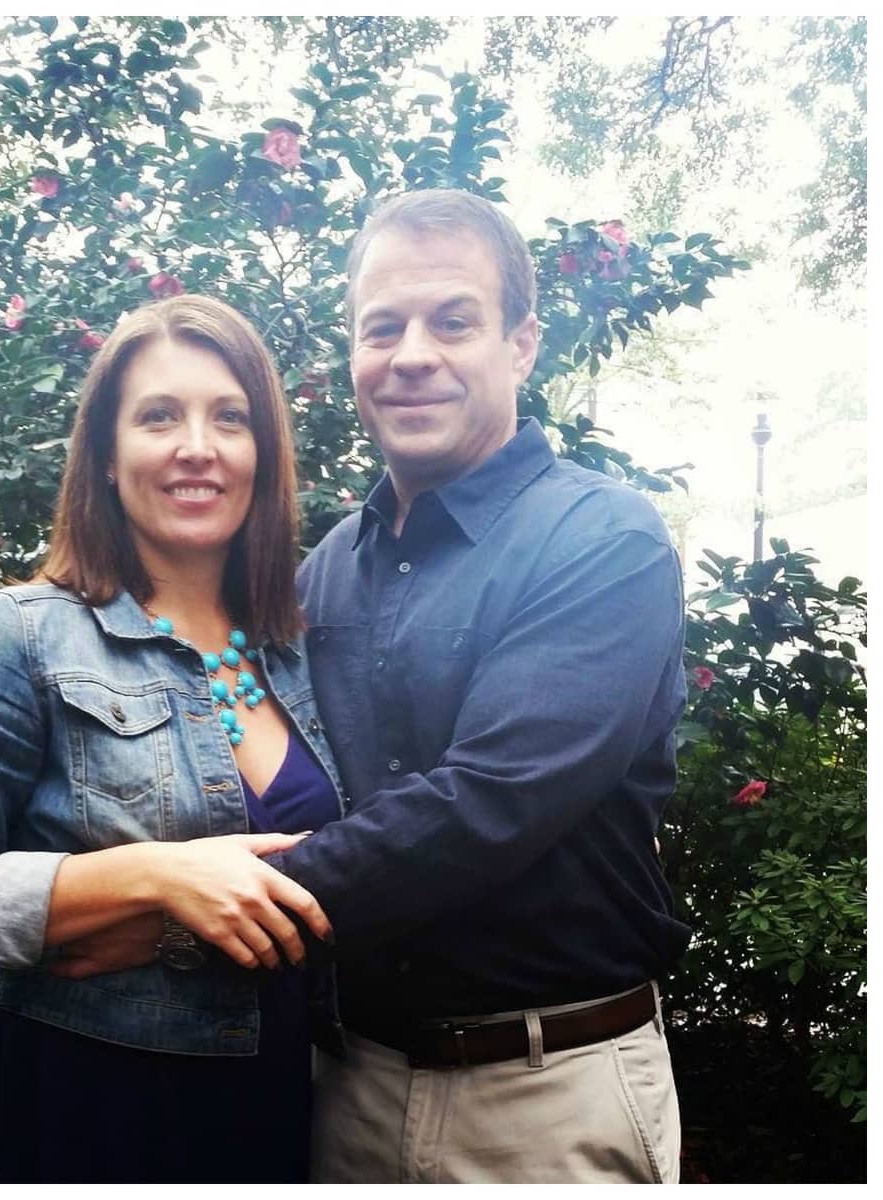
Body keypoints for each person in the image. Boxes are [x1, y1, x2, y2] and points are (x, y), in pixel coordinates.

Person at [263, 189, 689, 1182]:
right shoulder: (325, 569)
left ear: (522, 343)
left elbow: (488, 804)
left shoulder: (602, 538)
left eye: (453, 320)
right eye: (384, 327)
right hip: (349, 1086)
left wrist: (207, 905)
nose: (413, 353)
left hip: (543, 1094)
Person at [0, 294, 344, 1183]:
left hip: (279, 1105)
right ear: (106, 452)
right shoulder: (27, 634)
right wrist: (155, 878)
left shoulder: (296, 649)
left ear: (263, 454)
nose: (197, 447)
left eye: (230, 418)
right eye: (159, 416)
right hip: (95, 1115)